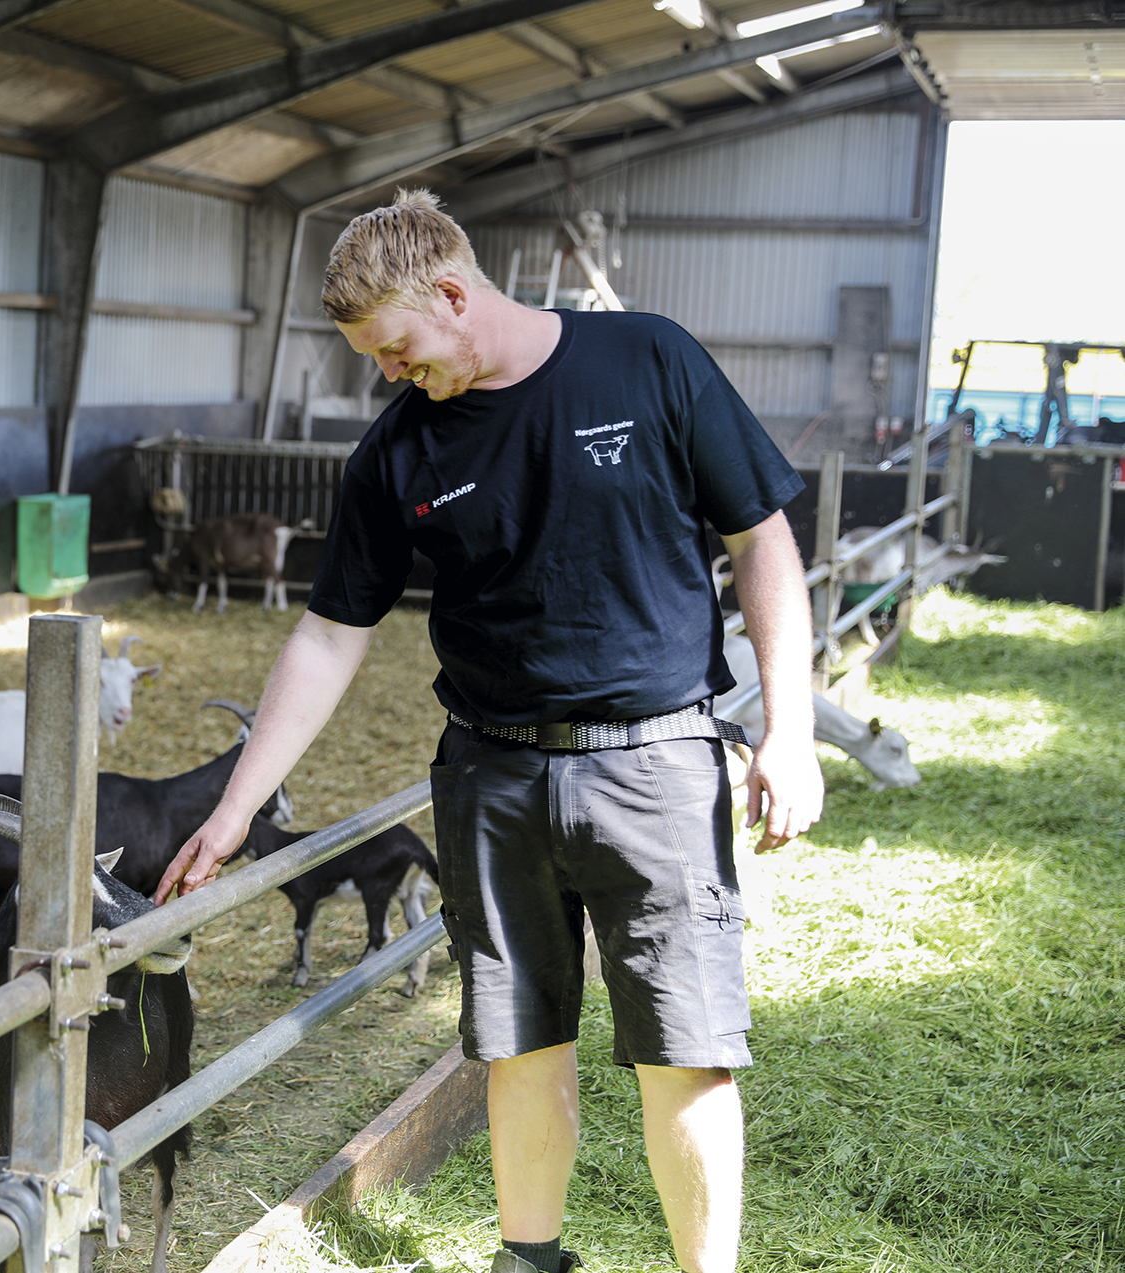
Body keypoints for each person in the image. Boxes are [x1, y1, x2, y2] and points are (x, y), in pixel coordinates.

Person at [153, 189, 823, 1273]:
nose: (386, 371)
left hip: (654, 760)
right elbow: (328, 637)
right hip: (490, 776)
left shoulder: (646, 359)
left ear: (454, 293)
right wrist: (234, 807)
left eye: (395, 345)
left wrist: (786, 731)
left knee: (687, 1056)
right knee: (516, 1045)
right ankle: (528, 1258)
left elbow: (760, 536)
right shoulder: (396, 452)